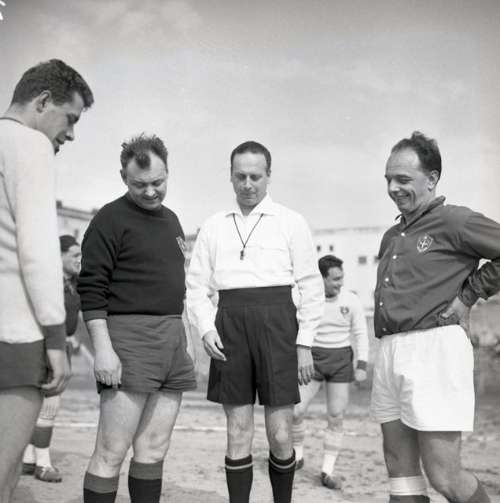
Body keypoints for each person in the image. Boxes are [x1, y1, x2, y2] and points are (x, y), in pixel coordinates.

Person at [186, 141, 324, 503]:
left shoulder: (291, 222)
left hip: (278, 325)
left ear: (268, 176)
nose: (248, 184)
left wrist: (305, 342)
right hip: (229, 325)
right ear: (231, 177)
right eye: (241, 176)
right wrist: (206, 327)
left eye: (255, 177)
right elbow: (196, 286)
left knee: (280, 434)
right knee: (237, 430)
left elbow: (311, 285)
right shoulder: (214, 226)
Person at [371, 131, 500, 503]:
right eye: (388, 180)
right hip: (390, 350)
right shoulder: (391, 236)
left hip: (435, 349)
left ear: (431, 179)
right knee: (399, 470)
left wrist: (469, 296)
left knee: (444, 475)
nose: (393, 188)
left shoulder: (455, 221)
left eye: (403, 179)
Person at [78, 134, 196, 503]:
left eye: (157, 182)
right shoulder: (109, 219)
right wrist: (103, 350)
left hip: (171, 339)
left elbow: (176, 287)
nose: (149, 192)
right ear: (123, 178)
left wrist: (184, 335)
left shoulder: (172, 220)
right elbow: (91, 289)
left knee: (154, 448)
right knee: (111, 451)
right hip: (128, 339)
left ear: (168, 173)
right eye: (139, 184)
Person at [0, 59, 93, 502]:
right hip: (15, 338)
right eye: (69, 118)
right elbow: (38, 251)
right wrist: (56, 340)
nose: (71, 134)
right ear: (41, 102)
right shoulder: (29, 144)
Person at [292, 254, 369, 490]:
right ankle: (297, 456)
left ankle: (327, 470)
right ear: (321, 279)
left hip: (340, 362)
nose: (340, 283)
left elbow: (361, 333)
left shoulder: (351, 300)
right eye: (335, 279)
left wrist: (362, 365)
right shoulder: (306, 299)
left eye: (341, 278)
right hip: (312, 360)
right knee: (295, 411)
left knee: (336, 415)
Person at [22, 235, 82, 483]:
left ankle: (28, 459)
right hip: (46, 347)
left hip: (62, 344)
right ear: (59, 255)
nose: (80, 260)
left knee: (43, 405)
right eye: (75, 255)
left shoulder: (75, 282)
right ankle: (43, 464)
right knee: (48, 405)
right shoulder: (46, 282)